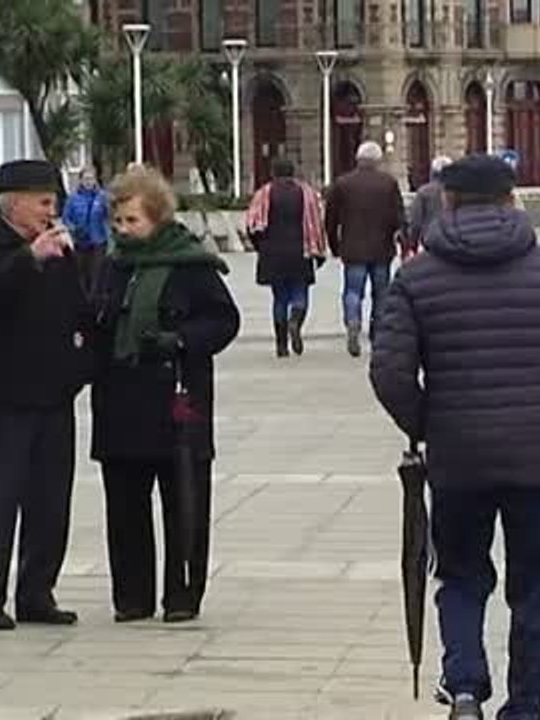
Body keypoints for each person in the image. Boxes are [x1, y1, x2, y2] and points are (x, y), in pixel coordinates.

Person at [370, 155, 540, 720]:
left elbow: (389, 372)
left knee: (460, 574)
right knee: (538, 582)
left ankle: (466, 684)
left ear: (445, 201)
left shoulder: (418, 278)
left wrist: (428, 422)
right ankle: (525, 705)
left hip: (459, 459)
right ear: (511, 200)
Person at [91, 166, 241, 624]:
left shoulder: (189, 264)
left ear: (157, 217)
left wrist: (179, 338)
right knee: (125, 503)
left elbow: (223, 320)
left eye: (132, 220)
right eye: (117, 221)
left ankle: (181, 595)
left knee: (184, 499)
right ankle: (132, 596)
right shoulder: (112, 265)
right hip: (121, 398)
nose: (123, 230)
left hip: (176, 397)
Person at [0, 160, 93, 631]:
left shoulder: (59, 247)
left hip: (53, 396)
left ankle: (37, 592)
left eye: (53, 202)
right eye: (44, 202)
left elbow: (78, 310)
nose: (52, 211)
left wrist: (82, 365)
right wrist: (29, 258)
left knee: (50, 501)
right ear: (13, 203)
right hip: (1, 397)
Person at [324, 141, 406, 357]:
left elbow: (330, 218)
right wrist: (401, 240)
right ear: (378, 161)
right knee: (382, 293)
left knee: (352, 291)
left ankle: (353, 320)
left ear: (357, 159)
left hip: (353, 248)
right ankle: (378, 333)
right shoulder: (388, 183)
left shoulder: (342, 183)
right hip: (382, 249)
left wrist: (334, 245)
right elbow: (399, 216)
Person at [245, 158, 327, 358]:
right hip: (301, 251)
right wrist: (319, 252)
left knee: (279, 298)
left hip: (273, 254)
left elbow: (252, 225)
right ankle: (296, 322)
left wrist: (260, 246)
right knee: (300, 293)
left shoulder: (263, 194)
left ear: (273, 172)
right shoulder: (307, 193)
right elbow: (317, 222)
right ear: (293, 173)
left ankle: (281, 345)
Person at [61, 168, 112, 293]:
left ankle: (94, 303)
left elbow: (110, 215)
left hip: (98, 241)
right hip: (80, 241)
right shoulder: (73, 198)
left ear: (95, 180)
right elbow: (66, 218)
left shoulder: (102, 197)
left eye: (91, 179)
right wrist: (72, 228)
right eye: (86, 179)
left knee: (96, 274)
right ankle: (82, 302)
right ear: (80, 180)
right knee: (81, 274)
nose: (88, 182)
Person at [405, 155, 452, 258]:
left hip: (430, 240)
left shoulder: (424, 192)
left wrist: (412, 244)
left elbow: (416, 221)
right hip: (453, 240)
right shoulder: (457, 191)